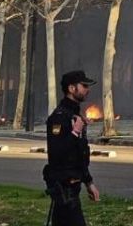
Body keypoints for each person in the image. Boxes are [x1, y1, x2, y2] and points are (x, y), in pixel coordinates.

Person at [43, 70, 101, 225]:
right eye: (83, 86)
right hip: (64, 187)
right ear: (71, 88)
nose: (87, 90)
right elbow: (56, 152)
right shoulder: (59, 117)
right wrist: (75, 132)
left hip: (74, 187)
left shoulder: (75, 115)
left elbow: (80, 154)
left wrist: (89, 183)